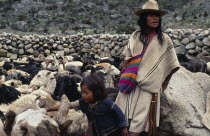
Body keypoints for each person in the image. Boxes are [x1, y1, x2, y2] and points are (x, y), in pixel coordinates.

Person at [115, 0, 180, 136]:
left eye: (157, 15)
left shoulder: (164, 39)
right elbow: (127, 58)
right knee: (122, 121)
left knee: (138, 125)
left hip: (149, 86)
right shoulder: (135, 36)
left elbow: (171, 64)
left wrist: (164, 82)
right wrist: (124, 75)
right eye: (150, 15)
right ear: (143, 18)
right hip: (130, 83)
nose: (155, 18)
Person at [46, 74, 128, 136]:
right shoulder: (84, 102)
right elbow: (68, 105)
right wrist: (49, 109)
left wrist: (124, 127)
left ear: (96, 92)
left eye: (86, 93)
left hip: (110, 131)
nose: (83, 95)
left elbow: (119, 113)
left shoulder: (107, 102)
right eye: (82, 92)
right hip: (95, 131)